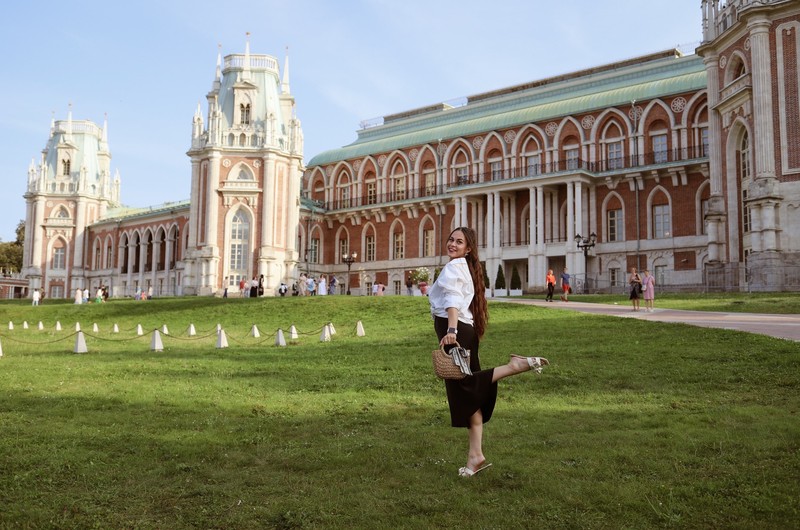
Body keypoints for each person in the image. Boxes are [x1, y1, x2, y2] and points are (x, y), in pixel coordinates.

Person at [429, 227, 549, 478]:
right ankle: (476, 456)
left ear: (468, 248)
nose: (452, 244)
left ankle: (515, 366)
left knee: (466, 386)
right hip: (465, 331)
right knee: (470, 394)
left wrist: (450, 330)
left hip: (456, 331)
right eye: (451, 239)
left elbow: (451, 300)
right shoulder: (464, 268)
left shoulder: (453, 268)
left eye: (459, 242)